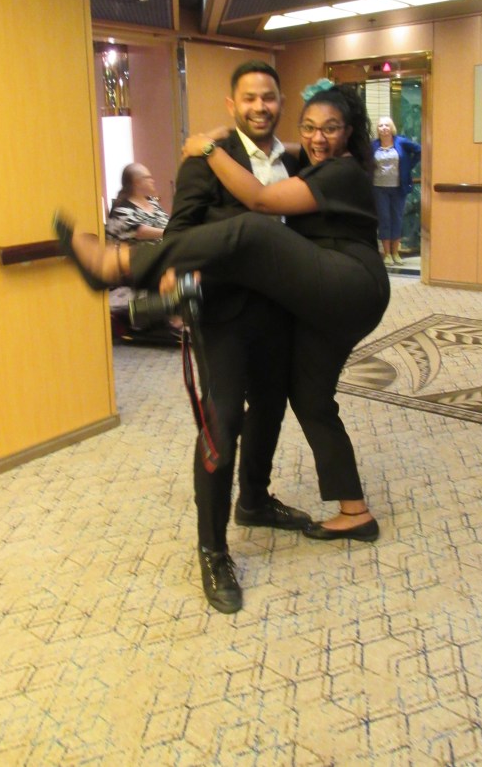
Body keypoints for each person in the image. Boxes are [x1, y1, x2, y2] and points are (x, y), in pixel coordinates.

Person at [54, 83, 390, 567]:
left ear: (349, 132)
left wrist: (208, 147)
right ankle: (354, 511)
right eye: (310, 127)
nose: (318, 138)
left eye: (331, 129)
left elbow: (260, 199)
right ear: (234, 104)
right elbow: (266, 163)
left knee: (253, 230)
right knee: (309, 398)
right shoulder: (302, 159)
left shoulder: (342, 171)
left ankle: (118, 266)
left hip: (348, 282)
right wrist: (214, 139)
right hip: (306, 299)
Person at [131, 62, 310, 614]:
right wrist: (179, 281)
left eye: (270, 97)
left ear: (282, 103)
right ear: (231, 106)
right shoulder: (204, 162)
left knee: (273, 408)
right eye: (250, 98)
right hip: (226, 314)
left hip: (281, 311)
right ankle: (212, 549)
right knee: (223, 418)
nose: (261, 106)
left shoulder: (298, 160)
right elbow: (180, 234)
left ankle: (253, 499)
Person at [104, 163, 176, 342]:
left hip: (159, 256)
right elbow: (141, 232)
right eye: (147, 178)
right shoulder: (122, 209)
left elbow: (170, 224)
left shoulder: (152, 203)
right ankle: (171, 320)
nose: (152, 181)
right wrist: (176, 233)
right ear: (136, 182)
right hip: (132, 265)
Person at [372, 117, 421, 266]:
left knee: (397, 219)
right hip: (379, 188)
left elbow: (419, 150)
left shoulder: (401, 142)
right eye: (381, 125)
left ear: (392, 127)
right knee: (384, 219)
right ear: (378, 129)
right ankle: (386, 254)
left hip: (398, 188)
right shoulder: (372, 146)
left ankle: (396, 252)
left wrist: (407, 166)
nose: (384, 128)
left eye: (387, 125)